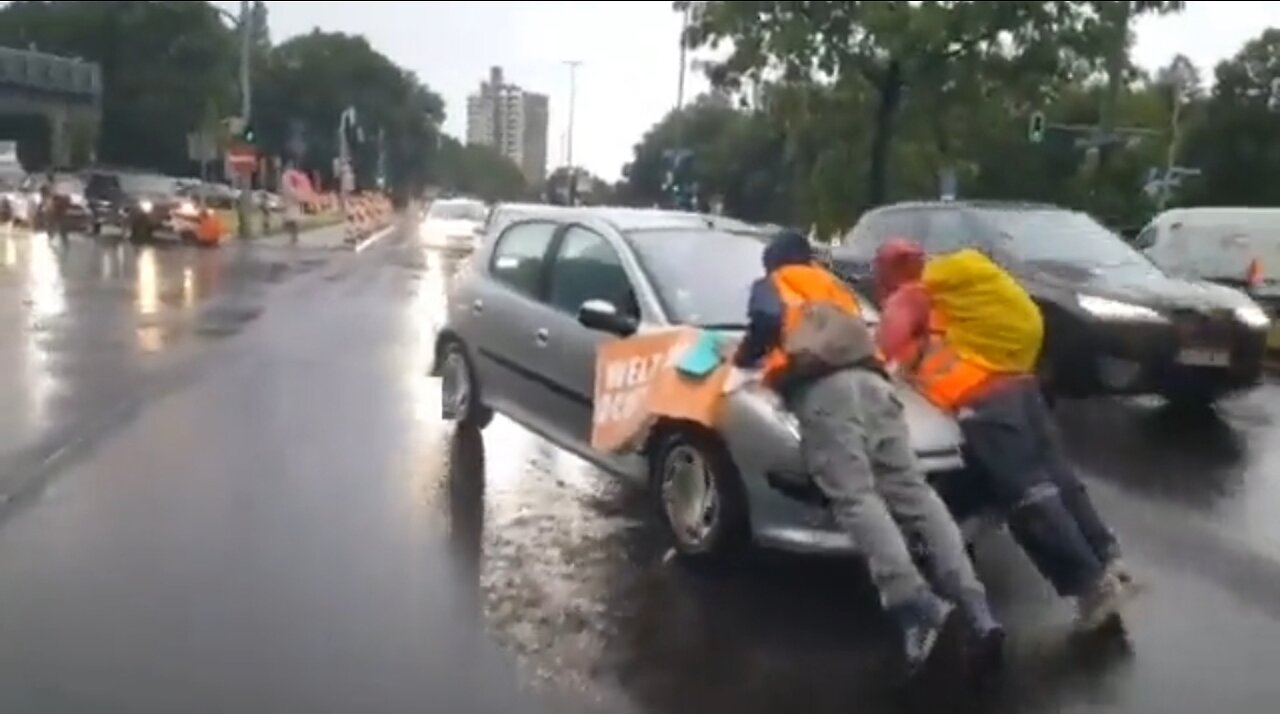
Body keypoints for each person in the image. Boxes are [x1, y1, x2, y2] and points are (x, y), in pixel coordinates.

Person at [732, 230, 1003, 671]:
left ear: (774, 262)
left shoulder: (774, 283)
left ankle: (916, 606)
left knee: (856, 497)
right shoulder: (836, 286)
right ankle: (978, 609)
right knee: (914, 493)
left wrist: (743, 360)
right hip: (877, 387)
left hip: (826, 392)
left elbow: (764, 324)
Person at [873, 238, 1137, 631]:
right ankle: (1108, 558)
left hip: (986, 401)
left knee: (1029, 498)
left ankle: (1091, 587)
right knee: (1058, 478)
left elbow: (886, 344)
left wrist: (871, 364)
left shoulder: (913, 294)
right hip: (1020, 387)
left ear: (888, 272)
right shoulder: (957, 292)